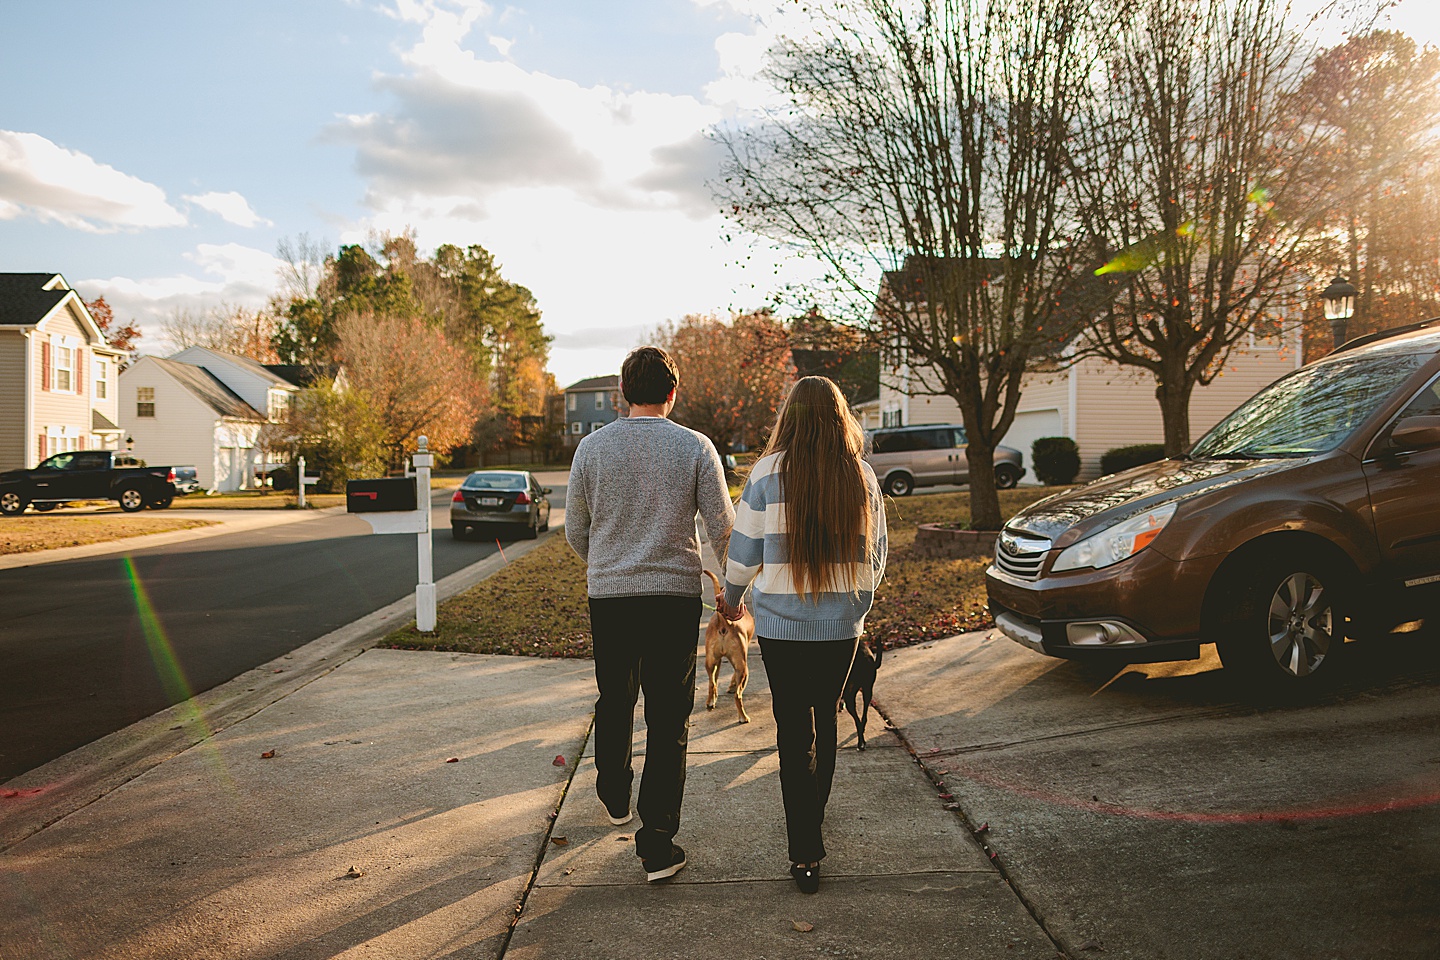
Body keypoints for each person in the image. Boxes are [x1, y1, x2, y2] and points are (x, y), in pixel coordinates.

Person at [566, 345, 734, 882]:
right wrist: (733, 587)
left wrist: (609, 564)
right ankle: (657, 842)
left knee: (614, 696)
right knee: (668, 717)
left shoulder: (592, 449)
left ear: (621, 393)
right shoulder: (695, 447)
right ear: (672, 392)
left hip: (609, 597)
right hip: (673, 600)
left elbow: (575, 528)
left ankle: (614, 791)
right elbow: (722, 529)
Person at [719, 375, 887, 894]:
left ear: (789, 418)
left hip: (781, 627)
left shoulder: (768, 472)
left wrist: (730, 596)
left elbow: (744, 550)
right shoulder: (860, 476)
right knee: (825, 718)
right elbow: (877, 556)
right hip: (840, 626)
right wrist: (859, 602)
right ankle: (813, 822)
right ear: (841, 419)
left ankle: (805, 850)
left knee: (793, 732)